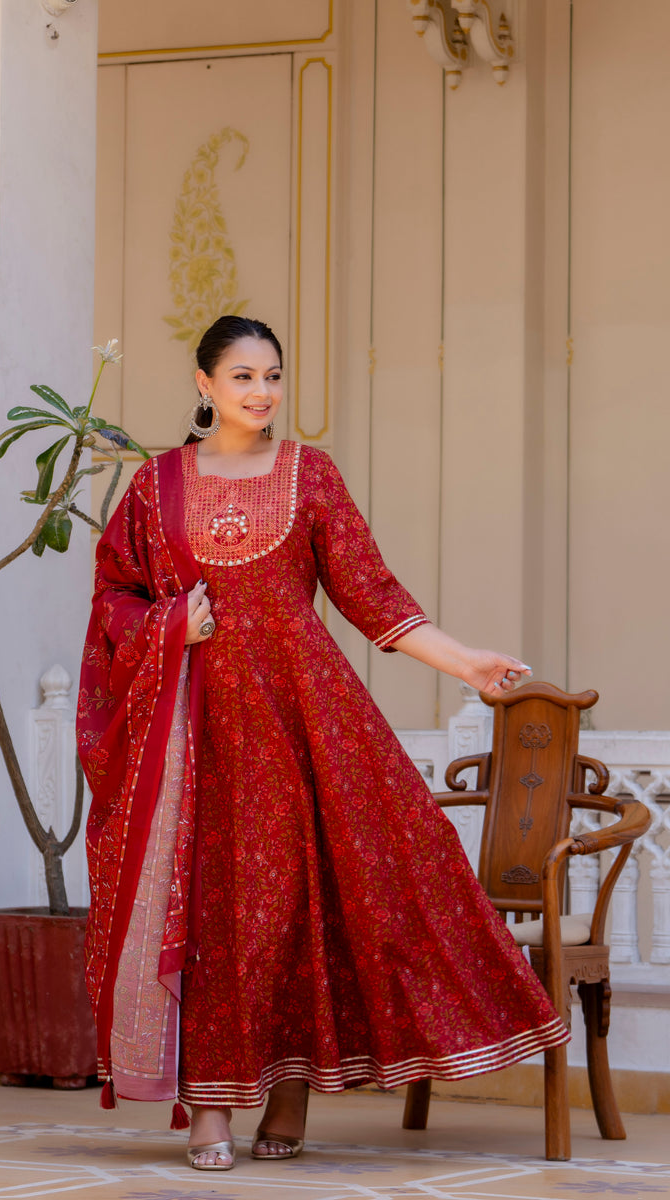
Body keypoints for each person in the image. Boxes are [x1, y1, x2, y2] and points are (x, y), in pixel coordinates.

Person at [77, 315, 569, 1172]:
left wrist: (464, 662)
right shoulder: (157, 487)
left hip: (304, 721)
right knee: (215, 911)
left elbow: (369, 593)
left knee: (293, 906)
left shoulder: (312, 475)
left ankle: (292, 1087)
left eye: (272, 377)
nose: (261, 393)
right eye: (242, 378)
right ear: (204, 384)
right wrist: (167, 624)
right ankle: (213, 1109)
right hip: (199, 731)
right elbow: (113, 593)